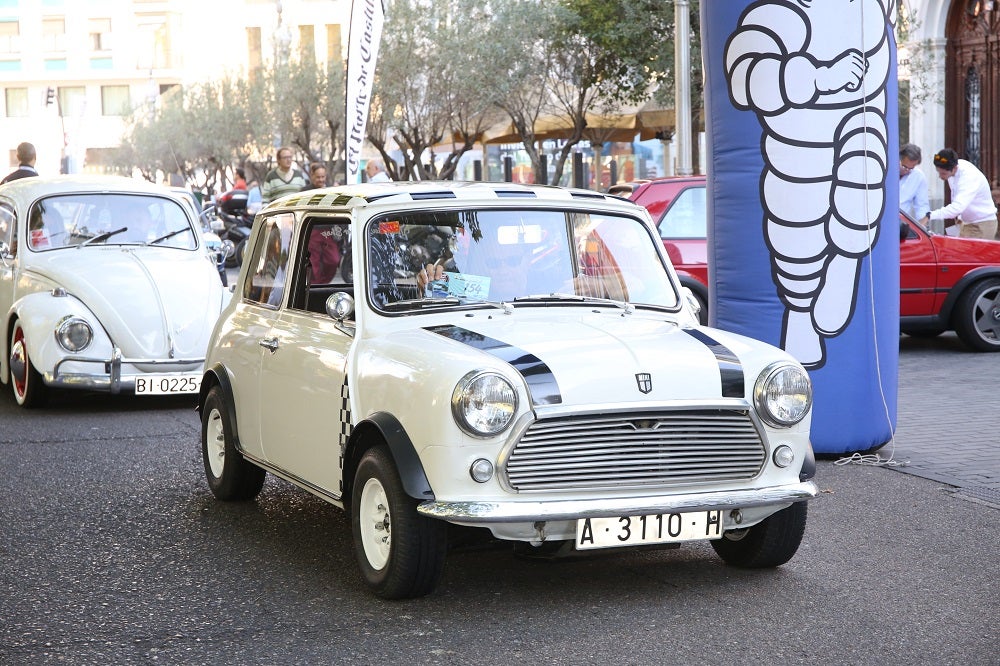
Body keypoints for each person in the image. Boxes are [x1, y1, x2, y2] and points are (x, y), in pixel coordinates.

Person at [928, 149, 998, 240]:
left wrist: (930, 215)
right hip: (966, 223)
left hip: (980, 225)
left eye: (943, 173)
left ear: (955, 168)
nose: (940, 176)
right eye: (939, 172)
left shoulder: (968, 177)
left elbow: (957, 207)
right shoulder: (954, 167)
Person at [898, 143, 929, 227]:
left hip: (901, 223)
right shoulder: (886, 171)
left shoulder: (918, 176)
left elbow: (921, 205)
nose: (907, 170)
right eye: (904, 167)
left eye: (911, 168)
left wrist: (923, 225)